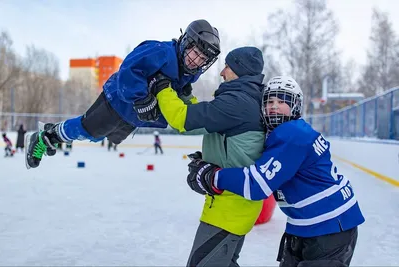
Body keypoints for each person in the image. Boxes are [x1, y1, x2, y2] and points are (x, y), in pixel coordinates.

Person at [185, 76, 365, 266]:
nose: (274, 106)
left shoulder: (292, 133)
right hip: (308, 225)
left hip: (330, 227)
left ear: (295, 105)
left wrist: (212, 176)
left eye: (282, 101)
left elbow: (256, 185)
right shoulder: (286, 131)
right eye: (269, 101)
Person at [25, 19, 220, 169]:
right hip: (118, 101)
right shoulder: (161, 51)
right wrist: (140, 97)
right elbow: (130, 68)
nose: (196, 61)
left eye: (203, 59)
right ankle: (45, 137)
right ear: (186, 42)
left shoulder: (189, 72)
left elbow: (174, 87)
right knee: (87, 129)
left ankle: (55, 134)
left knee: (96, 137)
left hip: (134, 117)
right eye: (195, 53)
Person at [149, 46, 265, 266]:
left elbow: (182, 121)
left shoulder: (237, 103)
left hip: (228, 211)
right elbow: (203, 119)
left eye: (228, 67)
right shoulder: (248, 99)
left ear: (240, 70)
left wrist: (162, 87)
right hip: (236, 207)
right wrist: (185, 95)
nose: (222, 72)